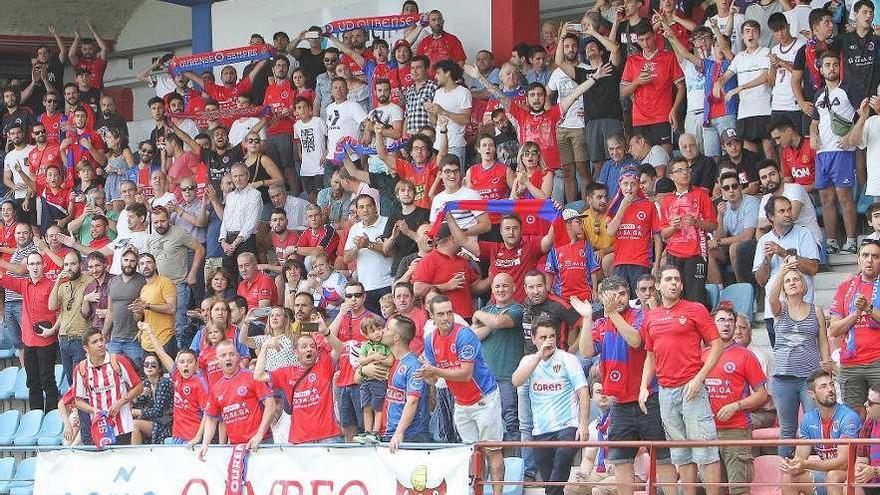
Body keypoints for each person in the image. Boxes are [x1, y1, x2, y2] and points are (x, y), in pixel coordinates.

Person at [573, 276, 677, 495]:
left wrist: (611, 313)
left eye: (622, 294)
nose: (618, 299)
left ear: (629, 294)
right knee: (621, 461)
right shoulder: (601, 322)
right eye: (612, 296)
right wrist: (587, 317)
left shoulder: (640, 315)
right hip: (619, 403)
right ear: (602, 297)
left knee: (663, 457)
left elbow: (636, 340)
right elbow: (586, 351)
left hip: (648, 398)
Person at [640, 265, 724, 495]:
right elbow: (650, 355)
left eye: (677, 279)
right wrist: (643, 387)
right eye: (668, 279)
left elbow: (717, 345)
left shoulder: (696, 309)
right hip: (665, 391)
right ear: (658, 285)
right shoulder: (650, 317)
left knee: (706, 450)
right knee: (681, 454)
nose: (674, 283)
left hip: (691, 387)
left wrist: (699, 378)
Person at [419, 295, 504, 495]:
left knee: (492, 450)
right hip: (461, 402)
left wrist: (434, 371)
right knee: (472, 453)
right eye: (441, 314)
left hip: (484, 397)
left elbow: (465, 374)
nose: (447, 317)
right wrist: (425, 374)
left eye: (450, 312)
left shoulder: (464, 335)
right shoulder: (430, 340)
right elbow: (433, 379)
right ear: (431, 316)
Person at [512, 319, 589, 495]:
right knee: (551, 482)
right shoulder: (529, 360)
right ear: (534, 339)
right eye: (544, 337)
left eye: (552, 336)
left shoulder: (568, 359)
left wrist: (583, 424)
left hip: (568, 425)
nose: (549, 341)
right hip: (541, 429)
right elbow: (516, 380)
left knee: (563, 457)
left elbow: (583, 391)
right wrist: (539, 356)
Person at [704, 306, 769, 495]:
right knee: (714, 491)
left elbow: (762, 394)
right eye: (721, 320)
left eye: (730, 321)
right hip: (707, 430)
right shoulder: (702, 355)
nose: (727, 324)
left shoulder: (745, 355)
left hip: (736, 430)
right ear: (711, 325)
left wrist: (737, 405)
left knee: (739, 489)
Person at [254, 322, 344, 444]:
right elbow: (258, 375)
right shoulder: (287, 373)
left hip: (328, 436)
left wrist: (326, 332)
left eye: (312, 346)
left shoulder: (324, 365)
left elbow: (340, 349)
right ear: (296, 352)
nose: (309, 349)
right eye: (304, 346)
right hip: (300, 439)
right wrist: (264, 348)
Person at [780, 370, 862, 495]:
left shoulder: (849, 417)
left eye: (832, 384)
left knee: (832, 476)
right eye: (823, 386)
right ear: (812, 394)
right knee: (788, 479)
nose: (830, 389)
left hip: (852, 474)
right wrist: (792, 466)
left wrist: (806, 464)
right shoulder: (808, 419)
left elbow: (844, 463)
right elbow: (800, 458)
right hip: (827, 473)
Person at [753, 196, 820, 344]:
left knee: (805, 359)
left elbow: (813, 268)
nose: (788, 214)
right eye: (782, 211)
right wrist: (767, 260)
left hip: (801, 310)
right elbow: (761, 280)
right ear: (771, 216)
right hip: (773, 311)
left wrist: (784, 253)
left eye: (789, 209)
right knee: (780, 359)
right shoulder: (763, 241)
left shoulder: (804, 234)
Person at [811, 50, 859, 255]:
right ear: (821, 69)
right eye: (827, 65)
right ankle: (831, 241)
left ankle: (851, 240)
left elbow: (862, 115)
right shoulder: (818, 94)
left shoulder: (848, 89)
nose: (831, 68)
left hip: (842, 151)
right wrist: (812, 134)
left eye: (834, 65)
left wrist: (850, 137)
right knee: (826, 198)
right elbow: (814, 121)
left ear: (840, 67)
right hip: (822, 153)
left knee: (844, 196)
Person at [0, 252, 58, 411]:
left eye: (38, 263)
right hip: (29, 341)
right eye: (31, 264)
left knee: (47, 380)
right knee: (32, 381)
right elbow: (4, 279)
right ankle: (36, 415)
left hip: (47, 340)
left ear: (44, 265)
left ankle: (51, 416)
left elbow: (60, 312)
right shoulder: (24, 284)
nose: (35, 267)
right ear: (27, 267)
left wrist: (52, 329)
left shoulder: (52, 285)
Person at [828, 239, 880, 417]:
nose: (870, 260)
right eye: (865, 255)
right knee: (853, 416)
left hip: (878, 360)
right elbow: (834, 330)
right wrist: (856, 313)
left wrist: (869, 309)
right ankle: (857, 447)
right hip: (851, 362)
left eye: (875, 256)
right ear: (858, 260)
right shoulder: (845, 288)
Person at [471, 273, 525, 443]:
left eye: (505, 286)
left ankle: (516, 463)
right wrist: (490, 321)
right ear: (492, 289)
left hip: (508, 377)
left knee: (510, 421)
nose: (501, 290)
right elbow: (473, 336)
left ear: (514, 287)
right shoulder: (487, 311)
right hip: (484, 379)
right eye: (497, 286)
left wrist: (480, 315)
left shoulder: (518, 309)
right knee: (485, 420)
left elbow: (500, 323)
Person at [198, 340, 276, 454]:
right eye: (223, 355)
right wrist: (205, 444)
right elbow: (211, 418)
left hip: (261, 443)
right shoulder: (216, 388)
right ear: (217, 360)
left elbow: (271, 405)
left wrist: (259, 434)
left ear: (238, 356)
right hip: (236, 447)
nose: (228, 358)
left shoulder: (252, 377)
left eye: (231, 354)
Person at [659, 158, 717, 308]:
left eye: (687, 169)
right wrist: (673, 227)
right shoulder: (667, 201)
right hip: (673, 254)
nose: (685, 173)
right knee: (674, 298)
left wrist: (697, 223)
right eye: (680, 170)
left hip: (696, 253)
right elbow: (664, 234)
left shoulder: (701, 195)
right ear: (671, 176)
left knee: (695, 299)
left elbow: (712, 226)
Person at [621, 24, 685, 156]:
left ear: (655, 36)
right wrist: (637, 82)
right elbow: (623, 93)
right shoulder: (632, 60)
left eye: (649, 38)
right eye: (642, 40)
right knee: (643, 160)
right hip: (639, 118)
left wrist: (674, 110)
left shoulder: (668, 57)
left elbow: (681, 86)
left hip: (663, 116)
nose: (646, 43)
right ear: (637, 40)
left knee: (665, 157)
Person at [145, 206, 205, 349]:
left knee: (180, 326)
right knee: (161, 326)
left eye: (163, 221)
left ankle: (183, 358)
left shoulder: (179, 233)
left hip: (178, 285)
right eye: (156, 222)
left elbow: (200, 249)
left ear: (169, 220)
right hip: (158, 287)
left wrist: (192, 273)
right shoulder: (150, 238)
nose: (160, 224)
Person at [73, 328, 143, 445]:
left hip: (122, 425)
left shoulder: (118, 361)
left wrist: (120, 402)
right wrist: (93, 410)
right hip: (99, 426)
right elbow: (78, 401)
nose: (100, 344)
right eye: (95, 342)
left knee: (120, 461)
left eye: (101, 340)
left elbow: (138, 386)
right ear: (86, 348)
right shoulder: (81, 369)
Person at [141, 324, 209, 444]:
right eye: (182, 362)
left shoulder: (199, 383)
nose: (186, 365)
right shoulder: (177, 376)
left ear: (196, 365)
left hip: (192, 439)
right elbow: (161, 353)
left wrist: (198, 438)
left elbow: (207, 414)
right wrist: (149, 331)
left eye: (189, 362)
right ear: (178, 365)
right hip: (177, 435)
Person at [382, 314, 431, 450]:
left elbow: (412, 401)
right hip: (392, 433)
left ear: (396, 337)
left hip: (410, 436)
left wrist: (399, 433)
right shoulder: (394, 361)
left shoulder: (413, 365)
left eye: (387, 329)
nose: (383, 331)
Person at [343, 194, 394, 313]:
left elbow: (391, 251)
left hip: (386, 284)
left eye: (368, 206)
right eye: (361, 207)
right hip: (366, 286)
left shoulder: (386, 223)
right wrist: (356, 247)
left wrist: (368, 244)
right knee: (372, 326)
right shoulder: (355, 228)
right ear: (357, 211)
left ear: (375, 208)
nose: (365, 210)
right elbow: (346, 258)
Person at [48, 251, 91, 388]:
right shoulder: (62, 286)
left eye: (73, 264)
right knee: (71, 382)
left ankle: (82, 409)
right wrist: (57, 282)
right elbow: (52, 306)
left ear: (80, 265)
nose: (69, 268)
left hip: (80, 338)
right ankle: (75, 409)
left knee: (80, 383)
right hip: (64, 339)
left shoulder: (89, 282)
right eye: (66, 264)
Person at [708, 171, 759, 284]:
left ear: (740, 187)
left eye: (734, 186)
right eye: (726, 188)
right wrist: (720, 217)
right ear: (722, 192)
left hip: (753, 244)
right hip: (733, 244)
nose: (731, 190)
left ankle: (742, 287)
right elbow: (719, 236)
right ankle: (720, 289)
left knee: (734, 248)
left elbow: (747, 236)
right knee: (707, 250)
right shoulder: (724, 207)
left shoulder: (751, 202)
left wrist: (719, 241)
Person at [104, 248, 147, 370]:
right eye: (126, 260)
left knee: (137, 374)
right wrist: (103, 334)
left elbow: (146, 311)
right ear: (121, 261)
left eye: (132, 261)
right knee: (114, 374)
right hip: (115, 338)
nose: (128, 263)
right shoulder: (113, 282)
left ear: (137, 262)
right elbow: (110, 310)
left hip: (134, 339)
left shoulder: (143, 281)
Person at [220, 163, 263, 282]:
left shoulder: (255, 194)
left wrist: (235, 243)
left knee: (246, 278)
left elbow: (252, 222)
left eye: (241, 175)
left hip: (245, 241)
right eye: (234, 176)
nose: (237, 179)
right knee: (227, 278)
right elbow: (225, 220)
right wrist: (223, 241)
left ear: (247, 176)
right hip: (229, 240)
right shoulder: (230, 196)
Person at [426, 61, 472, 168]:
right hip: (438, 144)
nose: (435, 76)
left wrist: (443, 111)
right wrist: (430, 111)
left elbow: (466, 119)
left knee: (454, 178)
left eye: (438, 73)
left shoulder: (463, 92)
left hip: (455, 145)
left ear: (448, 73)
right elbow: (434, 121)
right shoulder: (438, 92)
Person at [355, 316, 393, 444]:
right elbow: (361, 360)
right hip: (366, 381)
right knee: (366, 406)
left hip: (379, 381)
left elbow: (390, 360)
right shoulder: (366, 346)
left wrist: (380, 359)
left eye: (379, 328)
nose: (377, 332)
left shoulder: (386, 345)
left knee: (378, 407)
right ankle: (367, 431)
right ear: (366, 335)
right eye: (372, 331)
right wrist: (372, 358)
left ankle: (376, 432)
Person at [133, 253, 177, 356]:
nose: (145, 266)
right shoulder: (144, 289)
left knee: (168, 372)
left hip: (164, 340)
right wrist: (137, 311)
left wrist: (147, 305)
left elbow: (172, 308)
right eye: (142, 264)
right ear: (139, 269)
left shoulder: (165, 282)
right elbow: (140, 318)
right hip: (147, 343)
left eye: (149, 262)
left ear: (155, 265)